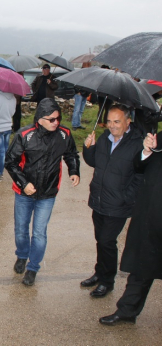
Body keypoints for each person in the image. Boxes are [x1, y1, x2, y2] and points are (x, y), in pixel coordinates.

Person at [5, 98, 80, 286]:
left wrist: (74, 171)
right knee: (21, 230)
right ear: (39, 119)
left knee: (39, 233)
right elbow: (10, 162)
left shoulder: (64, 134)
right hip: (24, 193)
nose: (56, 122)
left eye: (58, 118)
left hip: (48, 193)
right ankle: (22, 255)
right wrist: (24, 184)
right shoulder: (24, 135)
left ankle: (33, 268)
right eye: (51, 119)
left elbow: (71, 154)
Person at [99, 132, 162, 325]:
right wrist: (146, 150)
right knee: (142, 264)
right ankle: (127, 310)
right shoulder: (159, 137)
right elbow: (139, 166)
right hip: (151, 213)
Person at [81, 105, 143, 297]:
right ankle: (99, 273)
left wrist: (126, 197)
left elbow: (141, 176)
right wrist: (88, 147)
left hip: (119, 204)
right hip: (99, 199)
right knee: (100, 240)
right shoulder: (104, 138)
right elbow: (94, 162)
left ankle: (107, 281)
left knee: (107, 241)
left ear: (128, 121)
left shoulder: (137, 143)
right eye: (109, 121)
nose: (112, 126)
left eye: (117, 121)